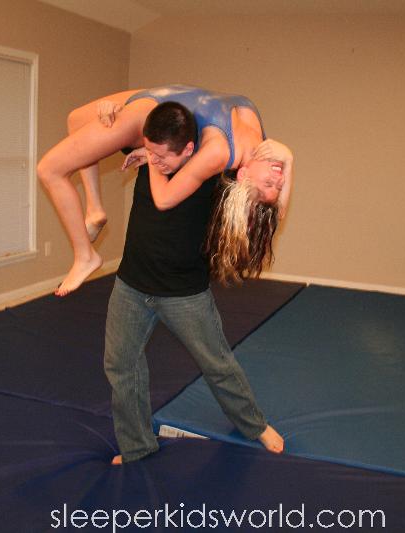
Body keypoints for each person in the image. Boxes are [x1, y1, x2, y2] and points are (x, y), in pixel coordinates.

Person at [103, 101, 284, 464]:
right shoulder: (153, 150)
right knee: (120, 365)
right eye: (152, 152)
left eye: (163, 155)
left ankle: (254, 425)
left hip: (184, 292)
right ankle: (137, 446)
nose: (157, 159)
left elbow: (268, 195)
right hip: (132, 284)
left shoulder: (217, 168)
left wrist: (286, 159)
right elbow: (100, 137)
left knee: (217, 362)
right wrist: (112, 109)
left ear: (188, 148)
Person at [36, 84, 293, 296]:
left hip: (147, 115)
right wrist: (289, 160)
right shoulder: (264, 143)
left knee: (49, 170)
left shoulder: (220, 152)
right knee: (75, 120)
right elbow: (277, 212)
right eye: (279, 184)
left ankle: (85, 256)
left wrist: (153, 155)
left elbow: (164, 199)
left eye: (269, 184)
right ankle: (94, 209)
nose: (278, 178)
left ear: (244, 176)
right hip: (160, 94)